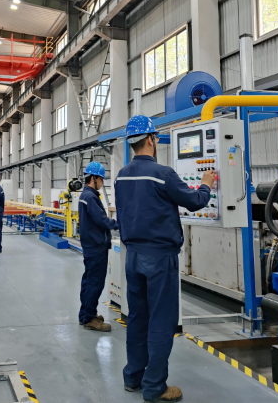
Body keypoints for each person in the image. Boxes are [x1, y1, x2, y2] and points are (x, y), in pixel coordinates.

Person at [115, 115, 215, 403]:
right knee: (161, 321)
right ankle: (155, 387)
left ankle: (133, 378)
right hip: (159, 259)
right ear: (151, 139)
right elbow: (195, 202)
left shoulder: (121, 175)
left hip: (132, 257)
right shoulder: (163, 174)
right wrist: (206, 183)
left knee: (137, 318)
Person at [78, 161, 118, 332]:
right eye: (101, 179)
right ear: (93, 178)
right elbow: (101, 220)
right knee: (95, 282)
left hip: (91, 245)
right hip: (96, 246)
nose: (102, 182)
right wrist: (119, 225)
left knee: (88, 281)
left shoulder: (86, 195)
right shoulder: (90, 197)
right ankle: (89, 318)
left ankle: (85, 314)